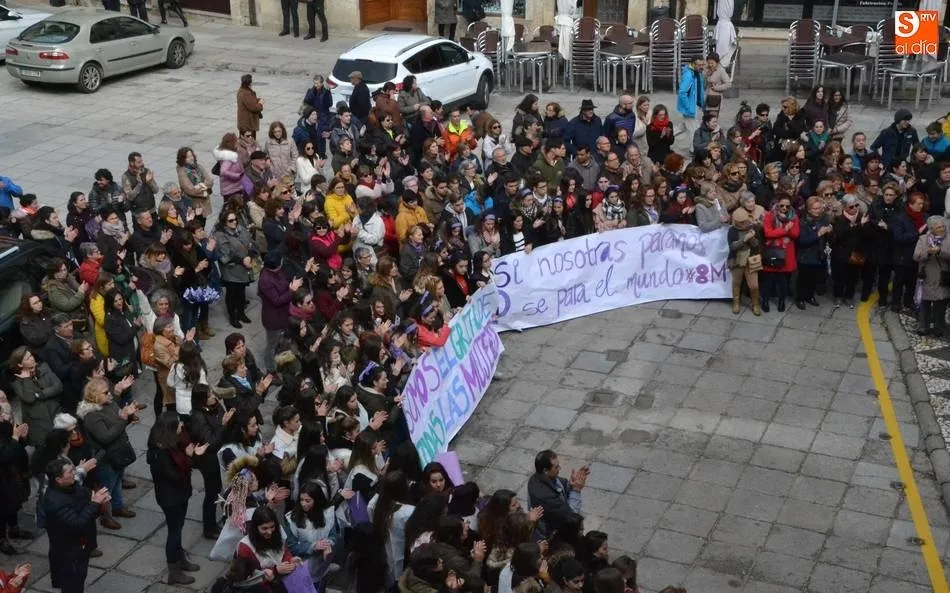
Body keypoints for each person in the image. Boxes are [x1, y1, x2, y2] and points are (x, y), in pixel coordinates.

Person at [147, 410, 204, 584]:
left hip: (180, 493)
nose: (182, 425)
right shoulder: (161, 451)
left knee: (178, 527)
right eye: (178, 423)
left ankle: (180, 559)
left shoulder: (173, 442)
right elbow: (174, 475)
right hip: (170, 497)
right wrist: (188, 457)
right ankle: (174, 570)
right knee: (174, 531)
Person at [42, 458, 110, 593]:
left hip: (80, 546)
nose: (74, 473)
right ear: (58, 479)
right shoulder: (55, 501)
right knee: (73, 584)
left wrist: (96, 499)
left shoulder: (70, 487)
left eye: (73, 469)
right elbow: (76, 524)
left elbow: (84, 499)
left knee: (79, 578)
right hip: (69, 552)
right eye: (70, 472)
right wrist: (95, 503)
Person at [527, 450, 588, 537]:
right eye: (556, 467)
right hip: (556, 532)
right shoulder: (545, 497)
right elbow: (571, 516)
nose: (560, 468)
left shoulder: (539, 477)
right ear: (545, 470)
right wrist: (576, 490)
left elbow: (560, 485)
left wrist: (570, 486)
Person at [913, 215, 950, 336]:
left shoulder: (948, 239)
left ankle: (939, 327)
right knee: (925, 302)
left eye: (943, 226)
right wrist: (927, 252)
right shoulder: (923, 239)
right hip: (927, 275)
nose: (942, 229)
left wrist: (940, 251)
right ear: (931, 228)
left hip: (943, 276)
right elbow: (916, 256)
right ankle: (923, 326)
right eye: (938, 227)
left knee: (941, 303)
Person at [676, 57, 705, 139]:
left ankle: (665, 138)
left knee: (682, 127)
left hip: (695, 106)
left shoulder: (697, 73)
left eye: (703, 64)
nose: (702, 67)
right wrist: (688, 108)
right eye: (699, 65)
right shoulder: (688, 75)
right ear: (693, 64)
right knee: (695, 131)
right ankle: (694, 149)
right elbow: (682, 93)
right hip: (691, 108)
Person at [237, 75, 265, 140]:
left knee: (245, 140)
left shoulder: (242, 90)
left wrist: (257, 100)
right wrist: (260, 104)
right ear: (249, 83)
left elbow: (249, 101)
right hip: (248, 124)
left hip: (245, 122)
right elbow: (254, 108)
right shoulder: (246, 93)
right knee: (249, 142)